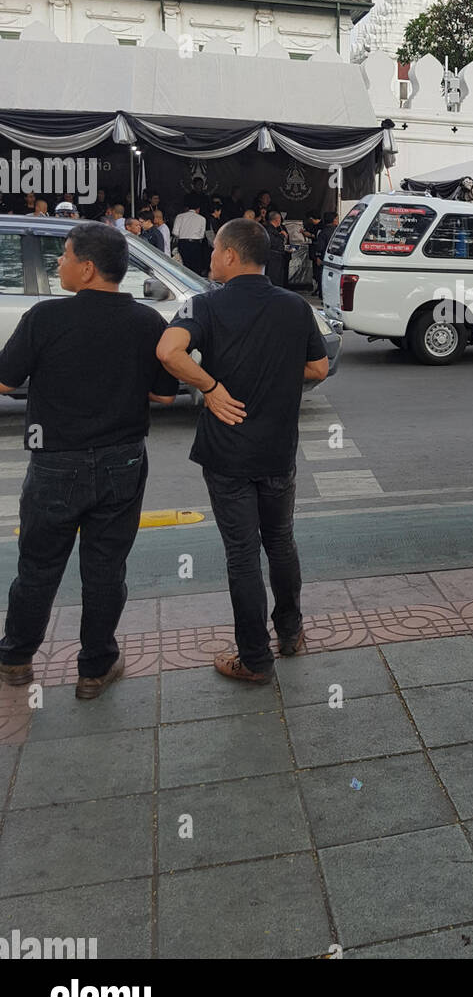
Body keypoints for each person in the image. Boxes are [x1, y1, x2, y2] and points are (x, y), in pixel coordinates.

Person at [0, 225, 177, 697]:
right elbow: (163, 395)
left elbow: (4, 381)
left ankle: (16, 659)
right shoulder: (147, 323)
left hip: (54, 463)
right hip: (122, 462)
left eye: (65, 257)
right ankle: (95, 669)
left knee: (38, 567)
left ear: (87, 267)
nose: (59, 263)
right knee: (105, 570)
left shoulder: (45, 318)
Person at [156, 220, 330, 682]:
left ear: (231, 255)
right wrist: (275, 382)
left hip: (227, 453)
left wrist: (211, 388)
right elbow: (318, 367)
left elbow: (169, 351)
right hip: (278, 451)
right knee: (280, 542)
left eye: (215, 250)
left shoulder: (205, 305)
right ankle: (290, 633)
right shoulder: (295, 306)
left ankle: (254, 659)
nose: (210, 258)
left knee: (242, 555)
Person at [172, 199, 208, 275]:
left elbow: (174, 232)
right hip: (195, 245)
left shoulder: (179, 216)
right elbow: (202, 235)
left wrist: (183, 235)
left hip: (182, 244)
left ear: (187, 208)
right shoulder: (202, 219)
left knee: (183, 266)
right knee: (195, 268)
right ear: (198, 209)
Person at [264, 211, 291, 288]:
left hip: (278, 257)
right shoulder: (269, 229)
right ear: (277, 220)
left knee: (278, 277)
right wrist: (282, 236)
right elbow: (274, 243)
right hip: (273, 257)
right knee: (274, 278)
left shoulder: (276, 229)